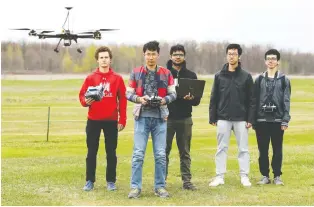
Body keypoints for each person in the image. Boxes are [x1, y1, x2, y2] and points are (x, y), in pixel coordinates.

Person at [126, 40, 176, 198]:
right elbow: (128, 93)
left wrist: (164, 100)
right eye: (148, 54)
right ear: (144, 55)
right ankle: (135, 187)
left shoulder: (167, 73)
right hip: (141, 117)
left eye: (154, 54)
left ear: (158, 55)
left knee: (161, 154)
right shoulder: (136, 72)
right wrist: (139, 99)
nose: (151, 57)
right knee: (138, 154)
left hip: (160, 117)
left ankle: (160, 187)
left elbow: (173, 94)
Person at [79, 46, 127, 191]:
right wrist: (84, 102)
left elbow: (123, 100)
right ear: (97, 60)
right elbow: (82, 96)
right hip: (93, 119)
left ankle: (111, 181)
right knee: (91, 151)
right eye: (101, 58)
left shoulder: (117, 79)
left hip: (111, 120)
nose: (104, 60)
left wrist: (122, 119)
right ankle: (89, 181)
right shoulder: (90, 78)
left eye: (106, 57)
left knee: (111, 152)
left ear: (110, 60)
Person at [209, 43, 255, 187]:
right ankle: (219, 176)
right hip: (223, 117)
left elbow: (252, 100)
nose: (231, 56)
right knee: (221, 148)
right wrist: (212, 117)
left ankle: (244, 176)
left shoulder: (246, 76)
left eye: (234, 54)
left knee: (243, 149)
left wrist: (250, 118)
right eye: (229, 53)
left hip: (241, 118)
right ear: (226, 55)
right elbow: (214, 97)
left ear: (239, 56)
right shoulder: (219, 76)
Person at [165, 44, 201, 190]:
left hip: (185, 118)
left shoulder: (191, 75)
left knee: (185, 152)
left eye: (180, 54)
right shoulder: (163, 73)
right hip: (166, 118)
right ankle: (162, 180)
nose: (177, 57)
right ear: (170, 56)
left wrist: (190, 98)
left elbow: (197, 101)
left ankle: (187, 181)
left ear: (184, 56)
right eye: (175, 54)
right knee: (163, 151)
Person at [253, 49, 291, 185]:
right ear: (265, 61)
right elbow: (254, 100)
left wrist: (285, 120)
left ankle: (277, 176)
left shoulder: (284, 80)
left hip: (277, 120)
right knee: (262, 150)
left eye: (273, 58)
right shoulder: (259, 79)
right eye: (268, 58)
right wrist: (253, 120)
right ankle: (264, 176)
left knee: (277, 150)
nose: (271, 60)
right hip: (261, 120)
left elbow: (286, 101)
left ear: (278, 62)